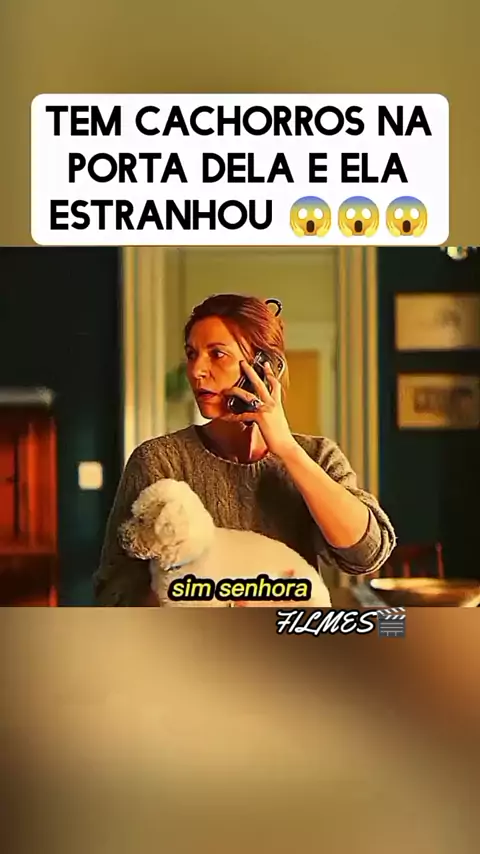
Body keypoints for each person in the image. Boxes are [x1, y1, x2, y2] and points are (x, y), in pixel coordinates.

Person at [94, 294, 396, 606]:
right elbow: (113, 593)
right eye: (192, 354)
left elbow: (366, 554)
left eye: (217, 354)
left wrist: (287, 449)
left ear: (263, 367)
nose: (196, 370)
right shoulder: (159, 459)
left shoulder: (318, 455)